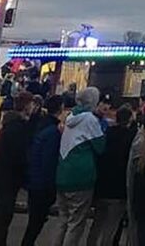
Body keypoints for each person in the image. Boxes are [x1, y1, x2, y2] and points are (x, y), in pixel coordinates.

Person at [54, 86, 106, 246]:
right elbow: (100, 146)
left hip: (63, 174)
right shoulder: (90, 119)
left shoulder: (70, 117)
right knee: (76, 223)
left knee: (62, 220)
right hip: (81, 176)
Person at [0, 91, 35, 246]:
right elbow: (19, 156)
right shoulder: (19, 128)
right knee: (2, 218)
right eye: (31, 104)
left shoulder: (5, 126)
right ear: (26, 105)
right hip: (9, 178)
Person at [86, 104, 135, 246]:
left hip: (102, 185)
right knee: (111, 227)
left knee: (97, 223)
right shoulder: (131, 138)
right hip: (119, 188)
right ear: (130, 119)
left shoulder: (106, 134)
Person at [22, 95, 64, 246]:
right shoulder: (53, 132)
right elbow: (49, 161)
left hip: (33, 179)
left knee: (33, 221)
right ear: (60, 108)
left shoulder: (40, 124)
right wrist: (51, 186)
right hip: (42, 184)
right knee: (36, 223)